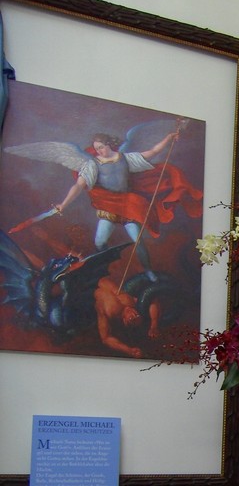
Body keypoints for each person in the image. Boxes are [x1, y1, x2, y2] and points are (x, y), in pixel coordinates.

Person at [55, 131, 179, 281]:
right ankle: (106, 269)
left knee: (138, 241)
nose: (99, 151)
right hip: (109, 207)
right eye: (96, 149)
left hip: (127, 206)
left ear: (109, 145)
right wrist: (63, 204)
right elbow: (78, 186)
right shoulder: (93, 165)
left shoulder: (126, 159)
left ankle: (148, 271)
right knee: (100, 242)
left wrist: (169, 138)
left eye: (101, 147)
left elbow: (153, 152)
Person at [94, 275, 160, 358]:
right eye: (137, 314)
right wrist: (154, 325)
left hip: (91, 289)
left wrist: (129, 350)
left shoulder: (109, 313)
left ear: (125, 321)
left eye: (132, 318)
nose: (133, 313)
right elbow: (151, 300)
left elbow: (106, 338)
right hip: (104, 280)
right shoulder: (133, 303)